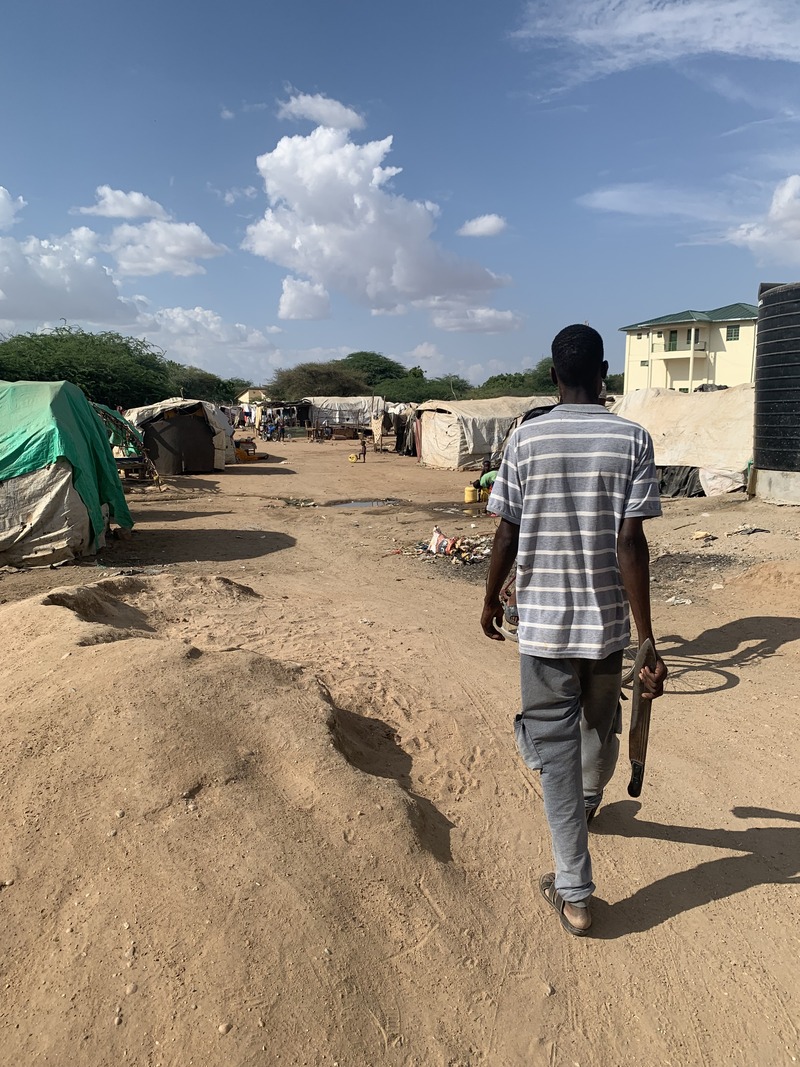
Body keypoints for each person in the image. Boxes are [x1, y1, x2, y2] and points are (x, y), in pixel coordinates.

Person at [480, 323, 667, 937]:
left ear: (553, 374)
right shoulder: (633, 439)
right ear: (604, 372)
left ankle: (575, 893)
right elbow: (631, 543)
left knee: (555, 749)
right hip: (609, 629)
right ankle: (588, 799)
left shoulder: (525, 441)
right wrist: (647, 638)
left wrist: (488, 601)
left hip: (544, 628)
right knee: (600, 723)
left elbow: (506, 533)